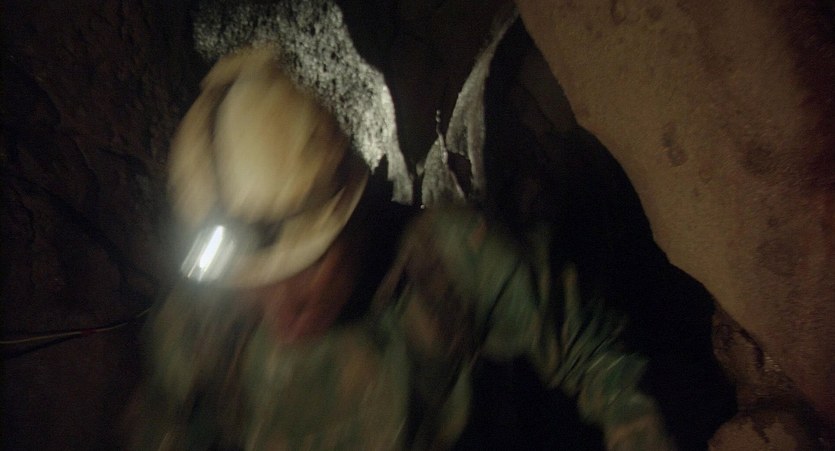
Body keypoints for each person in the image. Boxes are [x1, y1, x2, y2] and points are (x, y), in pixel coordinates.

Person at [132, 45, 675, 450]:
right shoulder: (198, 332)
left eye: (305, 267)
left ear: (351, 217)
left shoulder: (449, 259)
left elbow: (595, 356)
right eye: (254, 283)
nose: (282, 305)